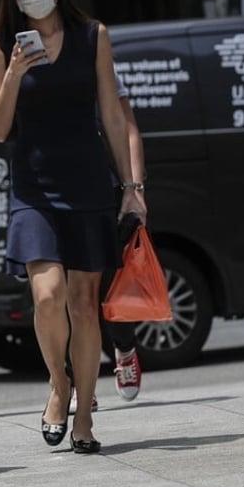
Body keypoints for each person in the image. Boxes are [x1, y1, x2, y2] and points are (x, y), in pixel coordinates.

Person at [0, 0, 146, 453]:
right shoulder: (0, 48)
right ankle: (59, 384)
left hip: (89, 184)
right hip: (33, 189)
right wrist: (13, 73)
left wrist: (132, 190)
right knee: (48, 295)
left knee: (82, 301)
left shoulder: (92, 36)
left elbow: (113, 115)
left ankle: (84, 420)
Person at [70, 66, 148, 413]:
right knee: (64, 294)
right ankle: (75, 383)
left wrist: (135, 188)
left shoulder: (93, 56)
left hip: (106, 184)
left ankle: (125, 347)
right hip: (56, 188)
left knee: (110, 287)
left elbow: (127, 126)